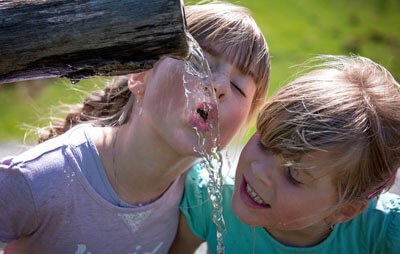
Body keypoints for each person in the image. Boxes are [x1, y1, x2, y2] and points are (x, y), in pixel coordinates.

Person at [0, 2, 270, 254]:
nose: (219, 86)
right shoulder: (41, 179)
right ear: (139, 76)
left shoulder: (196, 199)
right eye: (202, 63)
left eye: (238, 87)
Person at [172, 55, 400, 254]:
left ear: (344, 210)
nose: (259, 172)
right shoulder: (210, 201)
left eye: (293, 175)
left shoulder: (383, 234)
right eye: (265, 144)